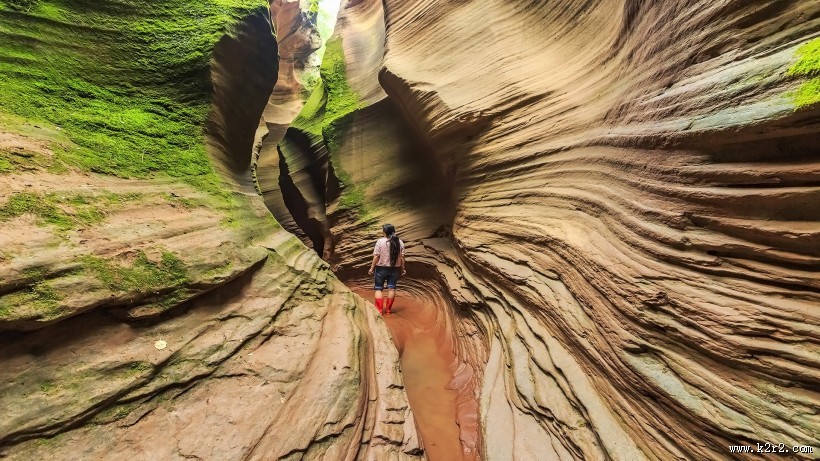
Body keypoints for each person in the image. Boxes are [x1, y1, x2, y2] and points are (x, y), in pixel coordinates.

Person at [368, 223, 406, 315]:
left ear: (385, 232)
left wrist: (372, 268)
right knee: (392, 289)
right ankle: (388, 310)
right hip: (395, 269)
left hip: (381, 268)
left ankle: (379, 311)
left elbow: (376, 256)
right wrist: (403, 268)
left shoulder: (380, 242)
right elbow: (402, 257)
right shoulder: (400, 242)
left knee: (378, 289)